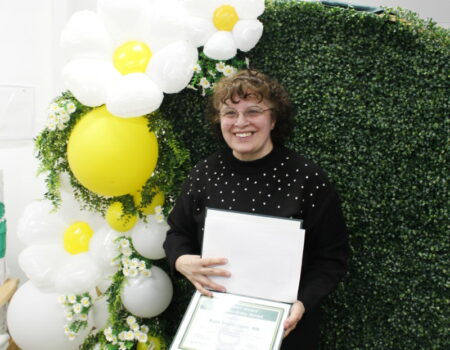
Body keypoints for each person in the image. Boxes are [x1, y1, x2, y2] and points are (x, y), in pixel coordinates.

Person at [164, 69, 349, 349]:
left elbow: (332, 256)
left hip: (285, 328)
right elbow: (177, 233)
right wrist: (181, 262)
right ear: (219, 120)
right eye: (229, 113)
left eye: (253, 111)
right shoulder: (204, 174)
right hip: (215, 326)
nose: (241, 122)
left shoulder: (306, 177)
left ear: (273, 118)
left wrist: (303, 302)